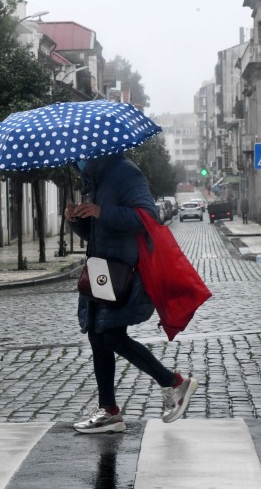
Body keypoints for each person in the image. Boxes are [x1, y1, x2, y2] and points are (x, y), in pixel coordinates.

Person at [65, 153, 198, 434]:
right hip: (102, 270)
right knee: (97, 335)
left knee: (111, 334)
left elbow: (148, 218)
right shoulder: (95, 179)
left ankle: (174, 383)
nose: (77, 159)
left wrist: (101, 211)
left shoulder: (126, 173)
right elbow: (98, 234)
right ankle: (109, 410)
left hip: (126, 271)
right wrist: (77, 219)